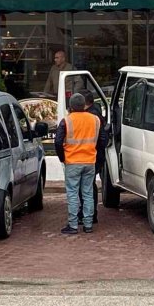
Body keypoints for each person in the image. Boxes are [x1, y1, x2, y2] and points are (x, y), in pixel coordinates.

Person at [55, 93, 106, 234]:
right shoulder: (95, 120)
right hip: (90, 161)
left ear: (70, 106)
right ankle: (88, 225)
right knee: (88, 193)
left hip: (72, 162)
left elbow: (58, 141)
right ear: (84, 105)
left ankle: (73, 225)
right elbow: (103, 140)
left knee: (72, 193)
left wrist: (62, 158)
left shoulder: (67, 121)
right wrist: (96, 153)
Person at [77, 89, 105, 225]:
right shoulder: (95, 113)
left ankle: (88, 214)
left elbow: (101, 138)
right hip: (93, 156)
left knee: (87, 186)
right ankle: (89, 213)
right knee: (88, 185)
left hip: (90, 156)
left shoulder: (92, 116)